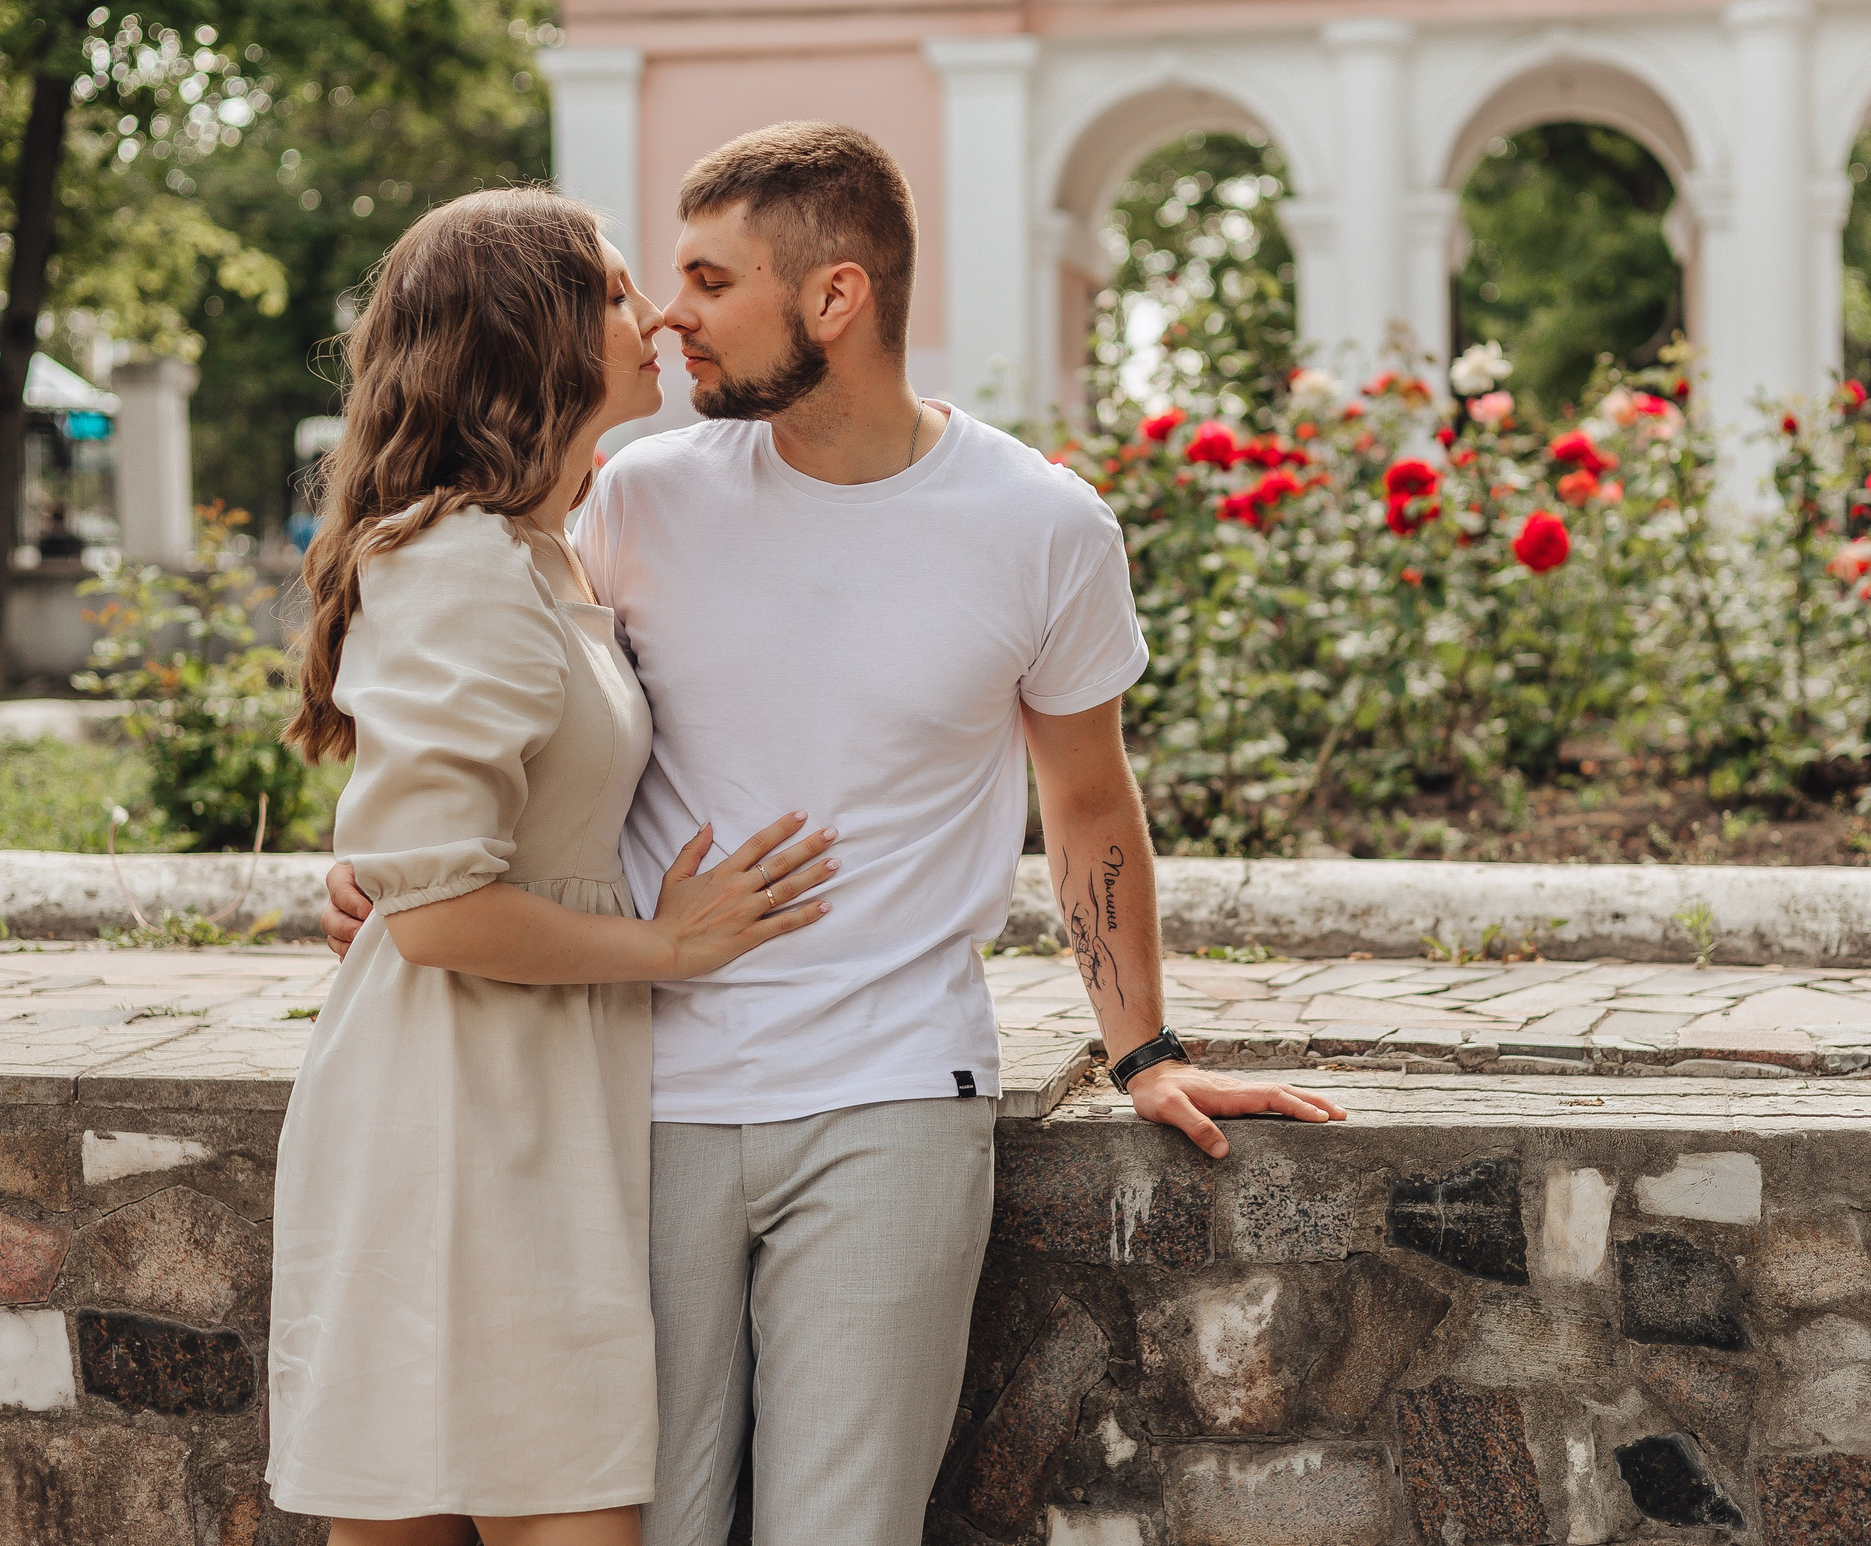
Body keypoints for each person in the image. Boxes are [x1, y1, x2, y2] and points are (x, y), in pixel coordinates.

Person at [321, 123, 1347, 1546]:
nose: (670, 312)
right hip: (643, 1094)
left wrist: (1147, 1047)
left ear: (835, 298)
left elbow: (1091, 802)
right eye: (653, 283)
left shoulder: (1043, 527)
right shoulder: (631, 498)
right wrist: (391, 873)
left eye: (706, 277)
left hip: (892, 1094)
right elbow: (506, 715)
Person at [270, 186, 838, 1546]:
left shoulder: (541, 552)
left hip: (542, 1102)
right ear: (531, 331)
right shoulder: (462, 563)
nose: (649, 318)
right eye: (614, 292)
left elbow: (435, 852)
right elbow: (439, 913)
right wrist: (672, 944)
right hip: (457, 1117)